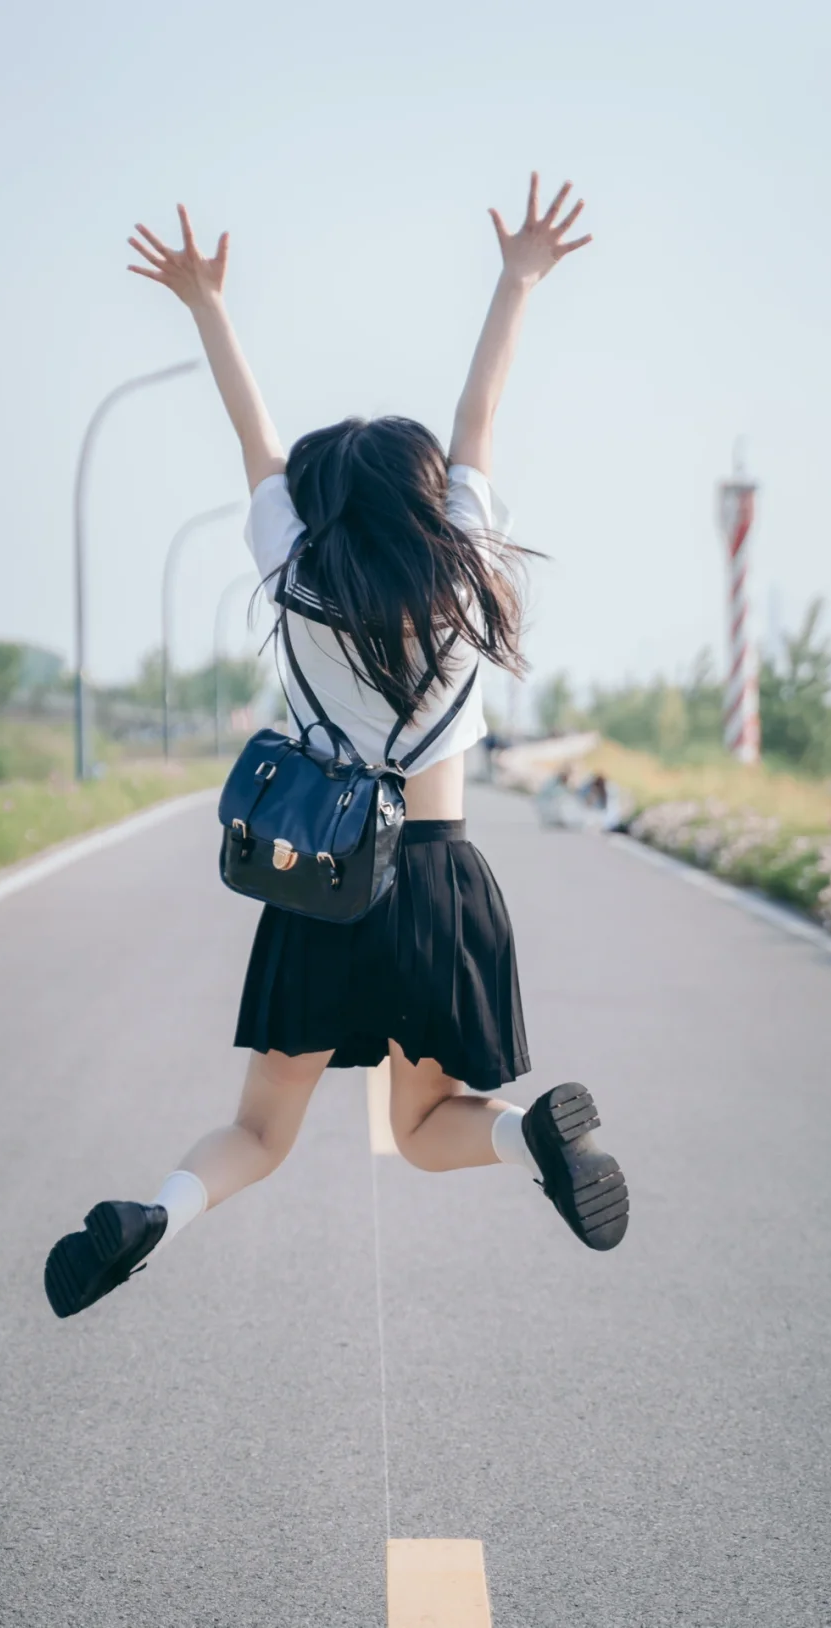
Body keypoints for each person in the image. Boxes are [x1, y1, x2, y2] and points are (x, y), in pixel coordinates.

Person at [44, 173, 629, 1320]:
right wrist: (517, 280)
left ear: (322, 510)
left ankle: (155, 1214)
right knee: (423, 1131)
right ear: (426, 499)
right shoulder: (469, 564)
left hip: (325, 884)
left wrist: (209, 306)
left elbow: (255, 445)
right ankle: (533, 1142)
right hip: (449, 881)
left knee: (261, 1129)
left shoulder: (296, 576)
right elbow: (480, 417)